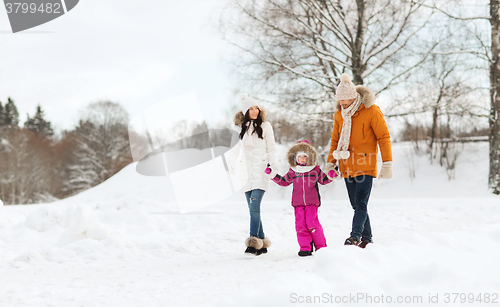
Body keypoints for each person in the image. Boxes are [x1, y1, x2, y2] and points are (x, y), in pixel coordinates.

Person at [326, 73, 393, 249]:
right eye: (340, 100)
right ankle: (367, 238)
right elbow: (335, 140)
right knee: (356, 205)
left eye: (345, 100)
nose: (342, 103)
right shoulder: (339, 115)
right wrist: (331, 163)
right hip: (346, 166)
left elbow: (384, 137)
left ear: (353, 96)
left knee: (361, 203)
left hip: (365, 165)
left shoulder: (371, 110)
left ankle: (355, 236)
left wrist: (387, 163)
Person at [227, 93, 279, 256]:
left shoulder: (266, 126)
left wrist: (274, 165)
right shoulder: (239, 129)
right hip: (245, 173)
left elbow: (272, 147)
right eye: (251, 108)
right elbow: (234, 149)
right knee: (252, 209)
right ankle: (262, 244)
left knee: (255, 206)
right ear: (245, 111)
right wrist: (230, 165)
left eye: (257, 108)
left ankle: (252, 242)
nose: (255, 111)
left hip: (261, 171)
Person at [266, 140, 334, 256]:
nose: (302, 159)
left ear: (309, 157)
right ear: (295, 158)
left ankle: (321, 247)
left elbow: (323, 180)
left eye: (305, 156)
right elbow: (284, 182)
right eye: (299, 156)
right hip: (298, 203)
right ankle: (305, 247)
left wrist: (331, 175)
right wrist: (272, 175)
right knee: (300, 225)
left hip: (312, 202)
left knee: (312, 223)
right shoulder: (293, 171)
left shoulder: (315, 170)